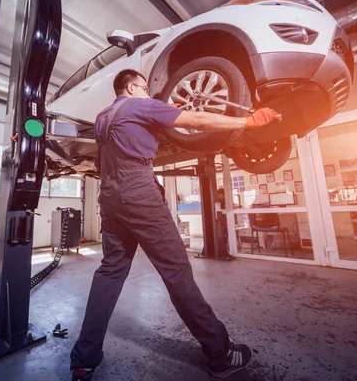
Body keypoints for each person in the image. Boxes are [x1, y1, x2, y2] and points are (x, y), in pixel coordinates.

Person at [70, 69, 281, 380]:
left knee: (110, 272)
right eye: (144, 87)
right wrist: (247, 122)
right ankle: (220, 355)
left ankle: (84, 358)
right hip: (138, 192)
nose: (148, 92)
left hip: (110, 197)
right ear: (131, 86)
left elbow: (104, 159)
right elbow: (195, 120)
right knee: (177, 271)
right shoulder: (140, 106)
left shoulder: (102, 117)